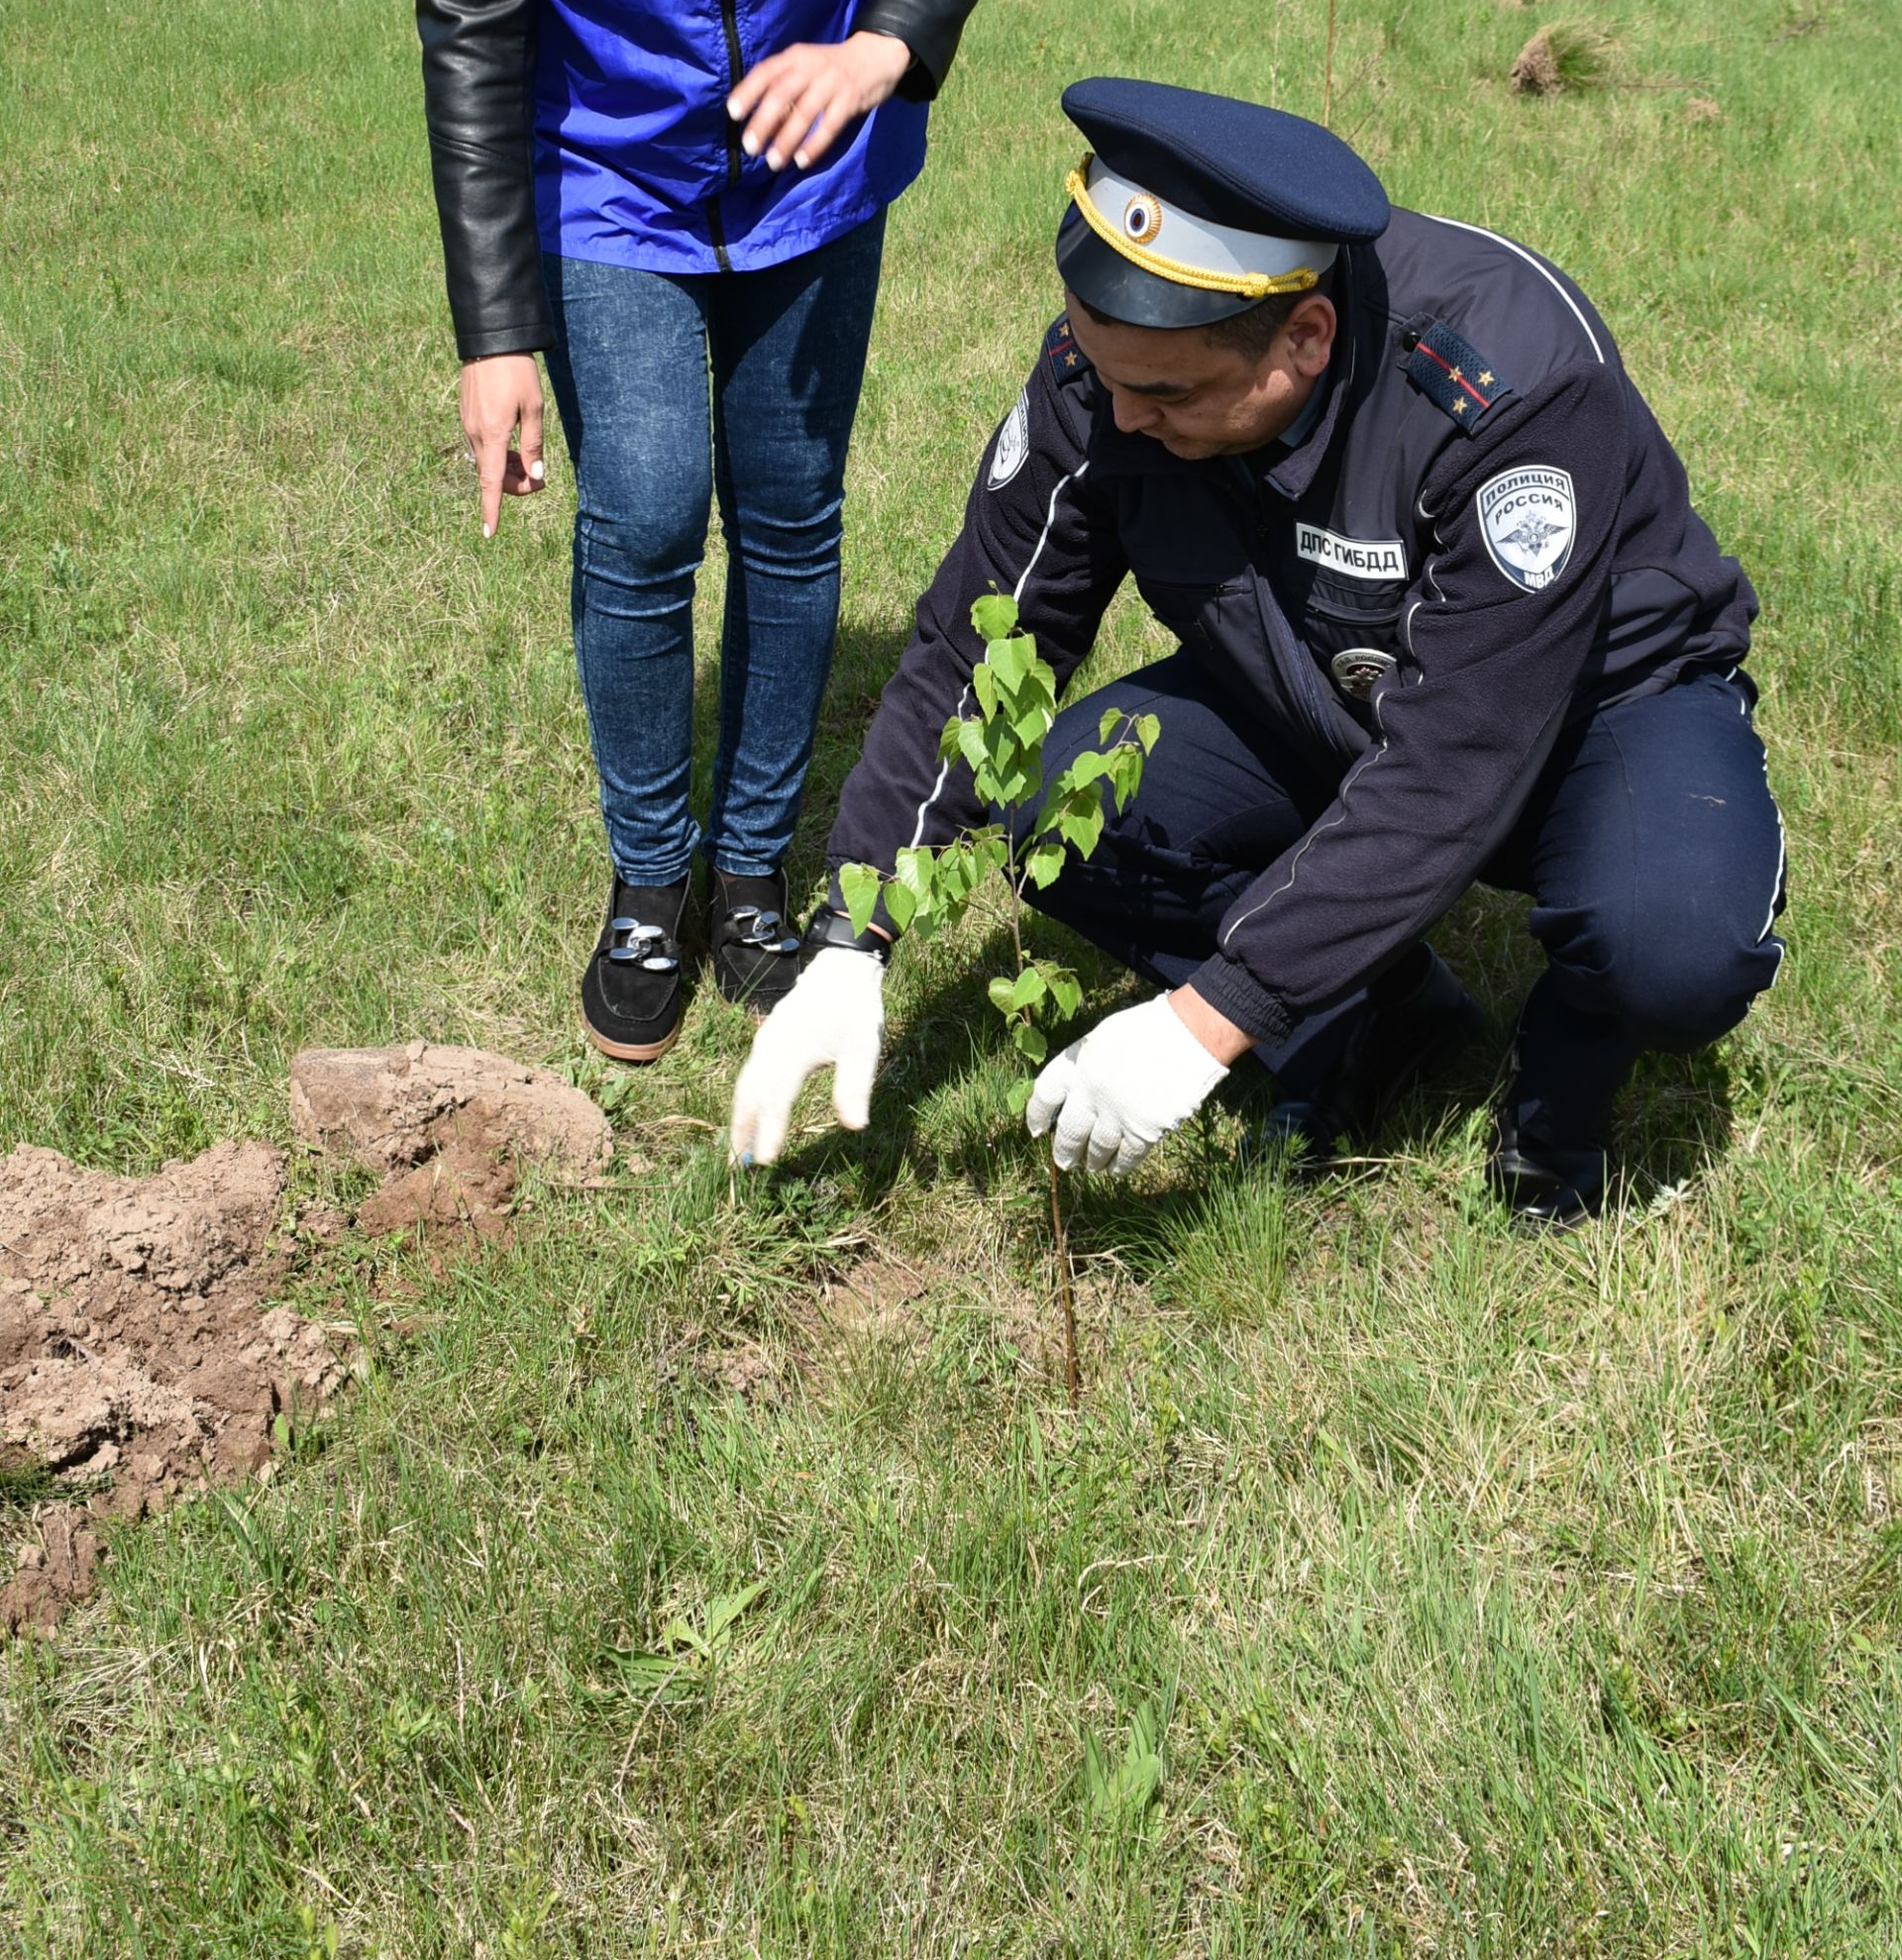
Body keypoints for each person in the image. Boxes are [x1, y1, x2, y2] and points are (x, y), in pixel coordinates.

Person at [729, 77, 1786, 1225]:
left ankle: (1557, 1086)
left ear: (1305, 336)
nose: (1120, 417)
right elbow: (977, 648)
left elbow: (1458, 760)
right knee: (1068, 804)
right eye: (1100, 369)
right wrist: (854, 933)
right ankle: (1367, 1022)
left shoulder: (1508, 389)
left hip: (1592, 707)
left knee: (1672, 948)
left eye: (1167, 395)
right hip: (1321, 692)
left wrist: (1208, 1017)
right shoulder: (1116, 373)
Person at [413, 0, 1014, 1064]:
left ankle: (754, 867)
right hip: (603, 177)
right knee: (647, 508)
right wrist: (495, 333)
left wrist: (883, 48)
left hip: (818, 173)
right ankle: (646, 876)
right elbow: (472, 22)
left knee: (789, 506)